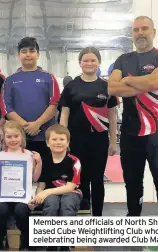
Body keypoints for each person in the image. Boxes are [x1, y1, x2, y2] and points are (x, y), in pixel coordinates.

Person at [108, 16, 158, 216]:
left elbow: (154, 83)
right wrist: (144, 83)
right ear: (132, 34)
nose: (140, 33)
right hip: (130, 132)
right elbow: (112, 87)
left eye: (145, 29)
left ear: (153, 32)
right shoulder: (123, 59)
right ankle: (133, 221)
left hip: (157, 131)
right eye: (136, 30)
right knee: (132, 181)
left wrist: (128, 81)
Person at [59, 47, 118, 216]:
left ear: (98, 62)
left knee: (97, 180)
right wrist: (64, 140)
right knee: (81, 179)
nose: (89, 63)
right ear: (80, 63)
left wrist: (113, 141)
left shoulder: (107, 87)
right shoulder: (71, 86)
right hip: (77, 140)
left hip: (99, 140)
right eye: (86, 60)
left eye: (93, 60)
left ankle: (97, 217)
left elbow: (112, 116)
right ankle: (83, 214)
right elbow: (64, 114)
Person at [0, 37, 61, 159]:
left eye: (32, 51)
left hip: (46, 136)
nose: (28, 55)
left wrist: (37, 124)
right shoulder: (10, 80)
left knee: (44, 174)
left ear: (38, 54)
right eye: (24, 52)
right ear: (18, 55)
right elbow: (7, 108)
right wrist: (26, 126)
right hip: (18, 138)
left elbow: (54, 104)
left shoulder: (49, 78)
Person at [0, 121, 42, 250]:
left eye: (16, 136)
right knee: (0, 210)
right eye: (9, 137)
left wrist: (38, 163)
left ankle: (26, 241)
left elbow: (34, 178)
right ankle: (0, 240)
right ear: (4, 138)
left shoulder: (28, 155)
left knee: (21, 210)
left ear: (22, 137)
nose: (13, 140)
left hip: (22, 194)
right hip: (4, 194)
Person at [31, 124, 81, 251]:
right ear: (47, 143)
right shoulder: (44, 161)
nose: (58, 142)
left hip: (72, 193)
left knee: (67, 203)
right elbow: (41, 185)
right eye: (54, 139)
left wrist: (46, 192)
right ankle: (51, 243)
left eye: (62, 139)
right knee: (52, 203)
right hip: (51, 195)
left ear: (68, 142)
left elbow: (70, 187)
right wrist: (37, 198)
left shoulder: (74, 161)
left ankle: (66, 243)